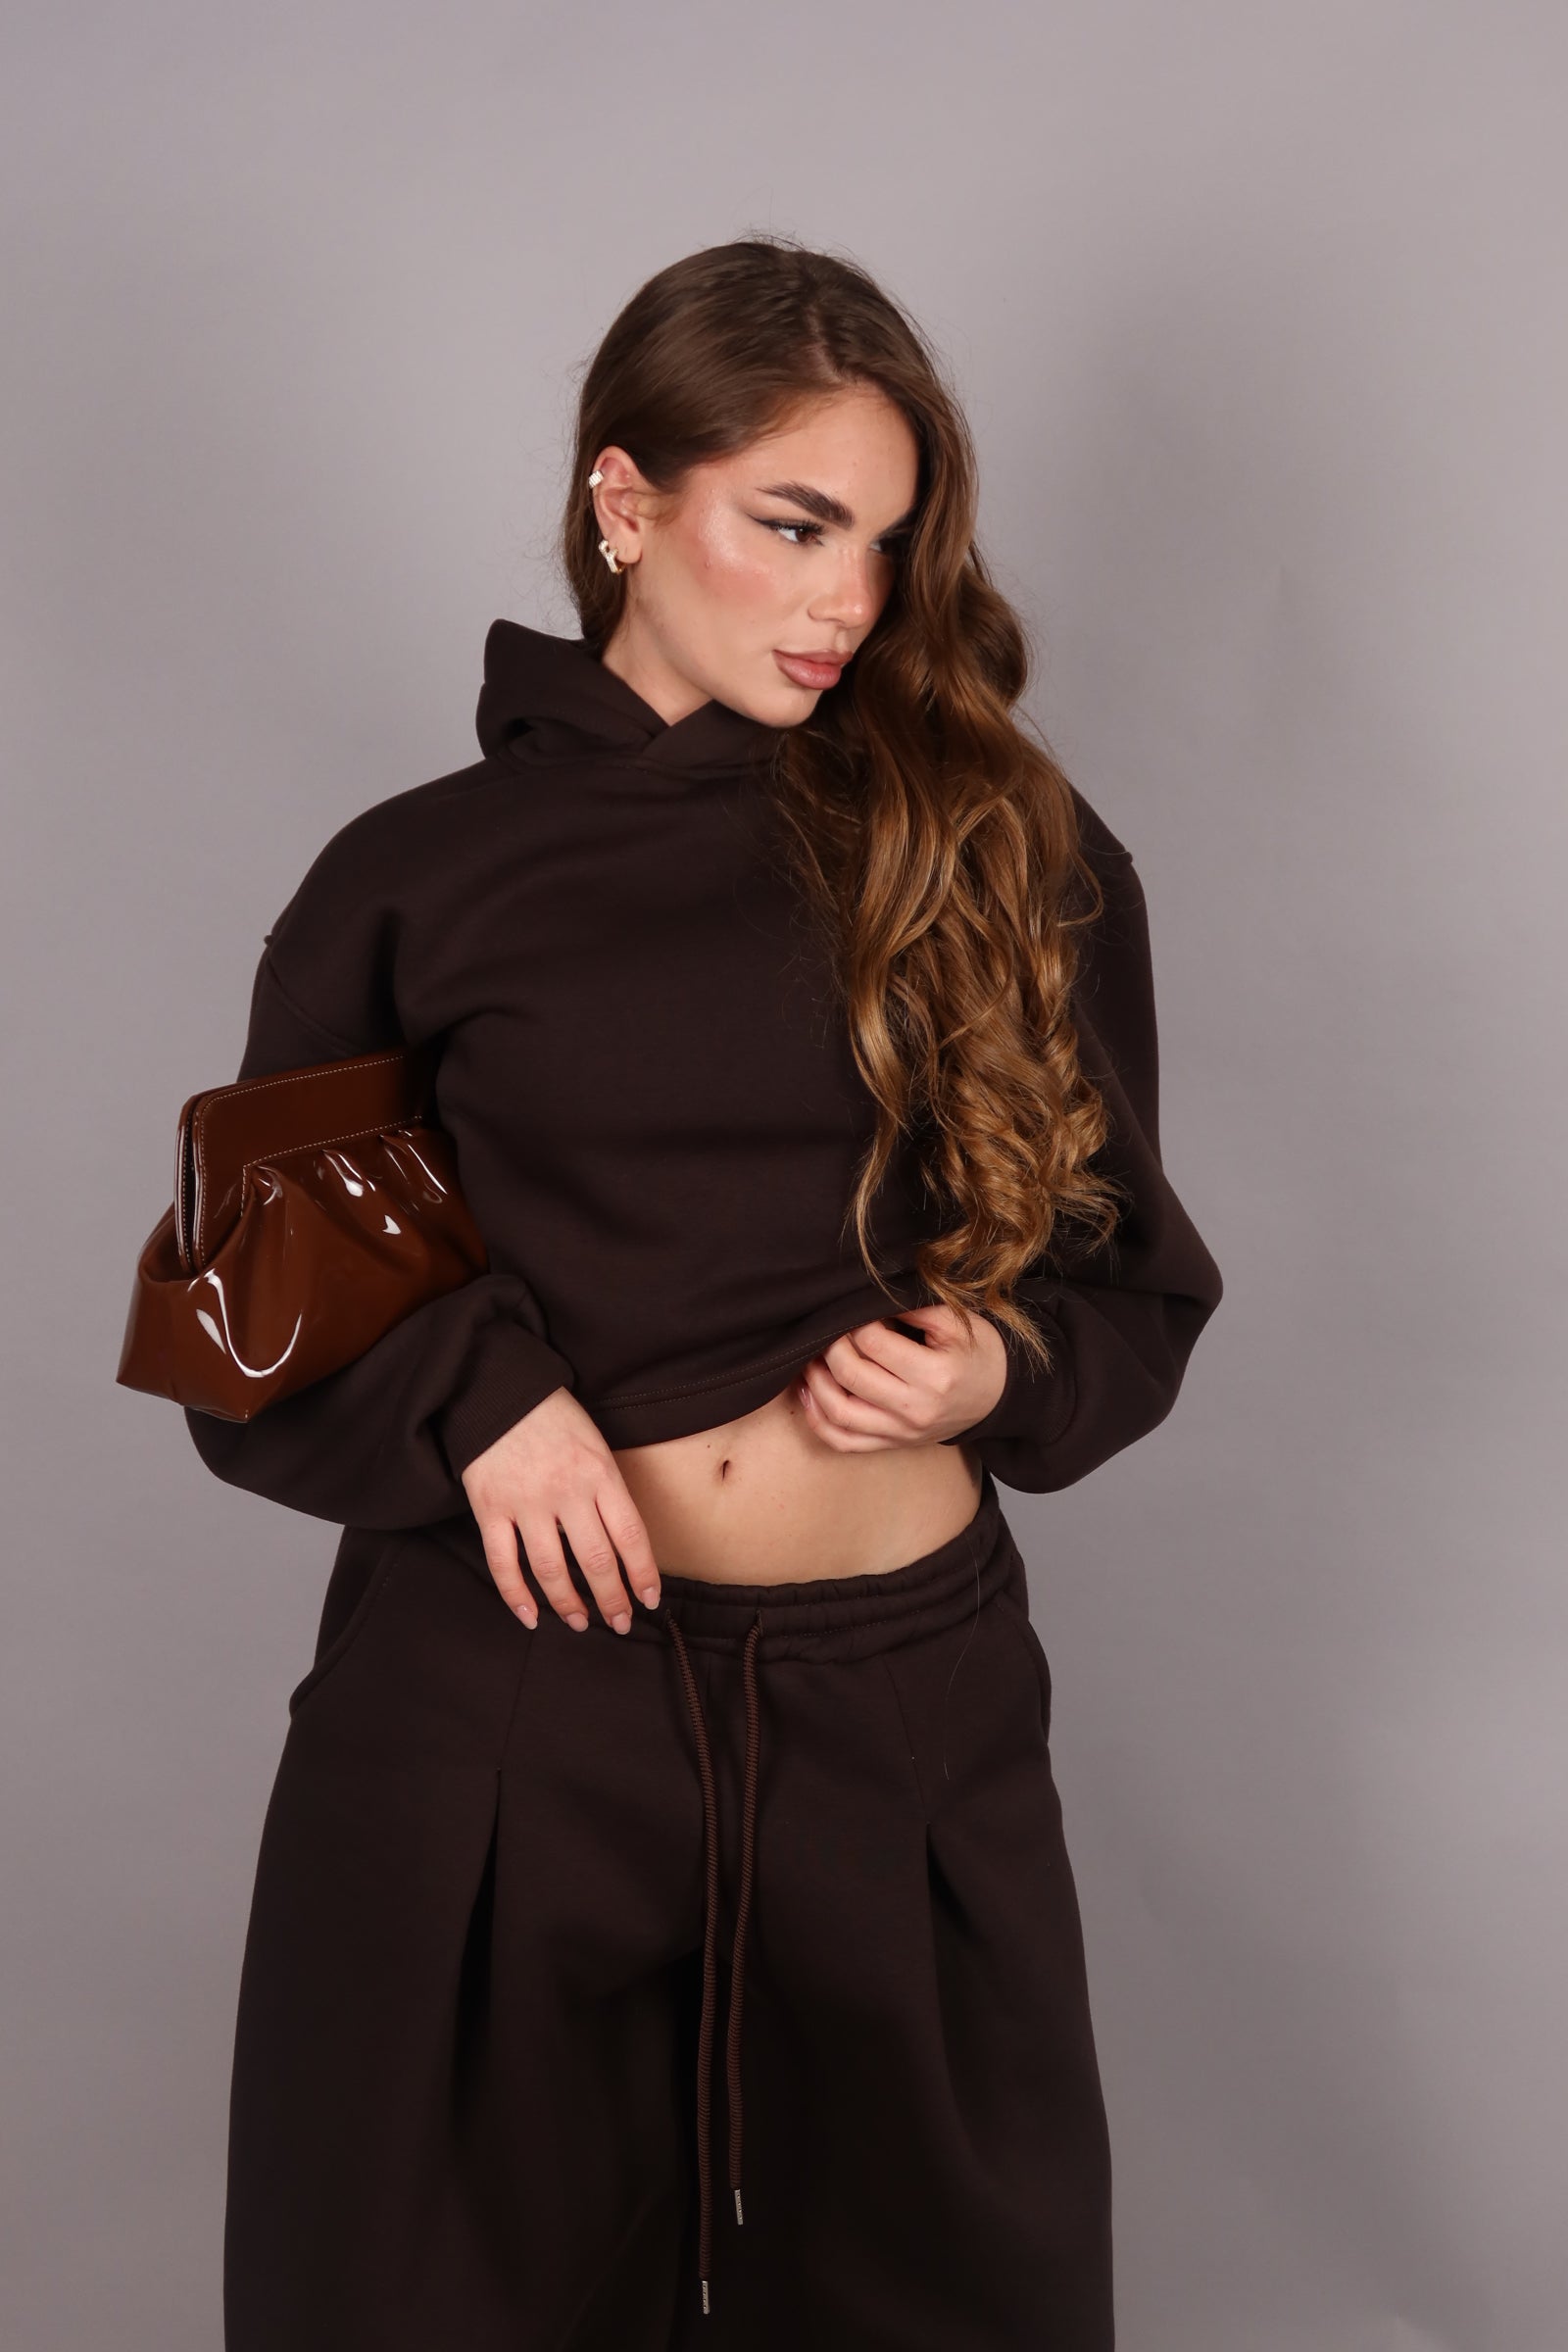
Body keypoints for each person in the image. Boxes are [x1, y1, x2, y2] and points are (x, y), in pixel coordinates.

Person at [185, 235, 1223, 2352]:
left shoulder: (1003, 846)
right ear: (625, 499)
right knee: (427, 2297)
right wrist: (485, 1402)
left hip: (899, 1708)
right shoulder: (412, 876)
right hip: (503, 1707)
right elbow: (257, 1296)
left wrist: (990, 1365)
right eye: (794, 523)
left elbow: (1125, 1270)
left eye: (887, 542)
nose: (849, 600)